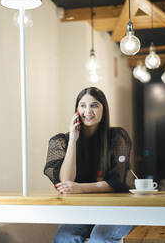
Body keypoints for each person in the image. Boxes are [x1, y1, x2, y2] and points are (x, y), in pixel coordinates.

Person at [44, 87, 133, 243]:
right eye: (83, 105)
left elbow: (117, 181)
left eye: (94, 105)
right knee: (65, 236)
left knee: (100, 237)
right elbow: (66, 181)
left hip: (118, 208)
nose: (88, 110)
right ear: (77, 110)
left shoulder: (117, 136)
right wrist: (73, 139)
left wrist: (80, 188)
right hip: (84, 210)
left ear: (104, 110)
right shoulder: (60, 141)